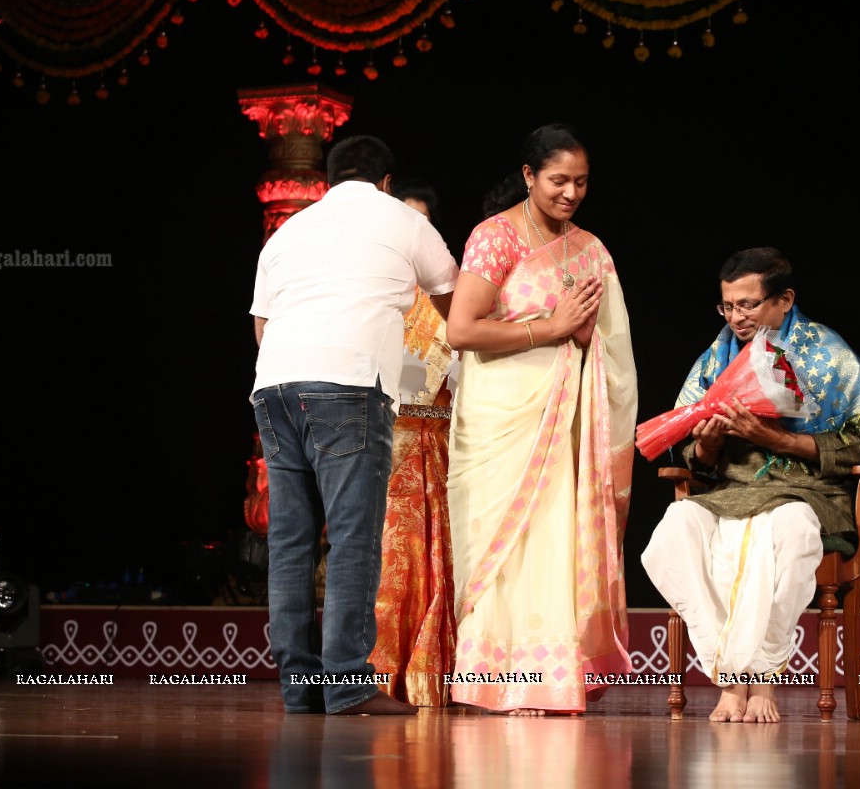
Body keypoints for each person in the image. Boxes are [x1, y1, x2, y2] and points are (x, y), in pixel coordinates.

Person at [641, 247, 860, 723]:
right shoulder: (715, 359)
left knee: (783, 529)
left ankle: (756, 682)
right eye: (727, 306)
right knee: (672, 532)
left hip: (808, 491)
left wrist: (775, 438)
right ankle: (734, 673)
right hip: (730, 491)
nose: (736, 317)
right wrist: (709, 445)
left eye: (748, 305)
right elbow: (691, 456)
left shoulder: (826, 353)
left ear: (784, 299)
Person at [249, 134, 460, 716]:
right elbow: (457, 309)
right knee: (352, 538)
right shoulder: (402, 219)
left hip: (273, 387)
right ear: (386, 182)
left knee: (291, 543)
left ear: (330, 180)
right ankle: (344, 686)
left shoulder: (288, 231)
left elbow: (263, 326)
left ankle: (300, 690)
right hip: (347, 386)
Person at [443, 123, 638, 716]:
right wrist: (550, 328)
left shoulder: (592, 249)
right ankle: (493, 679)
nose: (571, 193)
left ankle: (551, 678)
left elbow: (613, 347)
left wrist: (581, 339)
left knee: (557, 539)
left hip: (567, 422)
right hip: (501, 418)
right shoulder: (494, 238)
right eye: (558, 180)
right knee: (504, 546)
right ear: (529, 177)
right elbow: (462, 330)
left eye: (580, 181)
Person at [367, 177, 459, 707]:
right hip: (382, 445)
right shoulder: (376, 298)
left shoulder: (454, 298)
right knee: (382, 563)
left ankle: (432, 674)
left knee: (436, 560)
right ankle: (373, 678)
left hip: (439, 446)